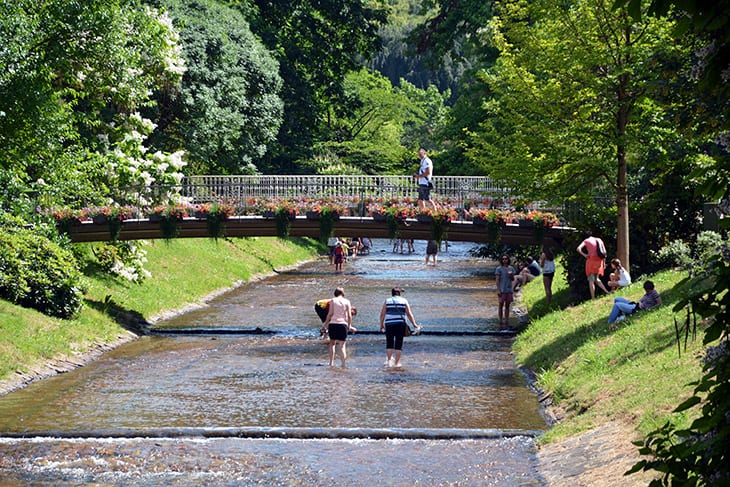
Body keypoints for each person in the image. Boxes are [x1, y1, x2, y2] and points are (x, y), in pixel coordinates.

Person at [379, 287, 421, 368]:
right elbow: (409, 314)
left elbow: (382, 314)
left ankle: (389, 361)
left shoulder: (387, 301)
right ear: (399, 293)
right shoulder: (404, 300)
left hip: (389, 323)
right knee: (399, 342)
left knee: (389, 342)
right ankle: (397, 363)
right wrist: (414, 325)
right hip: (400, 324)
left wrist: (381, 325)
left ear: (392, 293)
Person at [322, 287, 356, 367]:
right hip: (342, 324)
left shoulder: (333, 300)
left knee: (332, 344)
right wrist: (349, 325)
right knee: (342, 346)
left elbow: (330, 314)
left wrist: (325, 324)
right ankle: (343, 364)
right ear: (343, 293)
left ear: (335, 293)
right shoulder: (347, 301)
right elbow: (349, 316)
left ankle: (331, 363)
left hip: (333, 324)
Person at [576, 231, 610, 298]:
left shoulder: (586, 241)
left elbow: (578, 249)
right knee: (597, 279)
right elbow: (604, 253)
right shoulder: (599, 239)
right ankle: (607, 292)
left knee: (591, 281)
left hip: (591, 262)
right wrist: (604, 263)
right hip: (599, 261)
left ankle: (593, 297)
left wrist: (585, 255)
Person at [495, 255, 516, 327]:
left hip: (509, 289)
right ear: (501, 260)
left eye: (506, 259)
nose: (504, 260)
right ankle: (500, 319)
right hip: (502, 289)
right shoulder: (499, 269)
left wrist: (511, 275)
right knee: (500, 305)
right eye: (503, 259)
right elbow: (497, 280)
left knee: (507, 305)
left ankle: (507, 319)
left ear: (508, 260)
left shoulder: (511, 268)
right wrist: (498, 290)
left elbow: (513, 279)